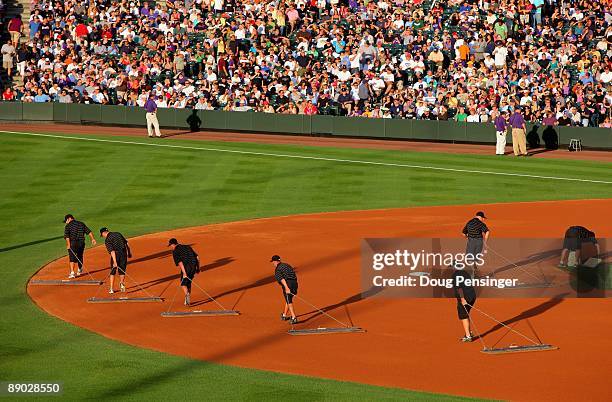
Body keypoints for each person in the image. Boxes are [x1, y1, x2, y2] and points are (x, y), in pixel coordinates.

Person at [168, 238, 200, 306]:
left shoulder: (175, 251)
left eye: (171, 245)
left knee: (183, 284)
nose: (171, 247)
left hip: (186, 267)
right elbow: (197, 257)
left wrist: (184, 273)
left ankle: (187, 295)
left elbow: (180, 263)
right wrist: (198, 268)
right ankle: (187, 300)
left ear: (173, 244)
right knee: (188, 282)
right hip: (193, 266)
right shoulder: (187, 246)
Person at [63, 214, 96, 278]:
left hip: (73, 243)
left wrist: (68, 245)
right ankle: (80, 269)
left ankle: (72, 273)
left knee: (72, 257)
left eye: (66, 220)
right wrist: (92, 239)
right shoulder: (81, 224)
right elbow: (89, 232)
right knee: (80, 255)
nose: (66, 222)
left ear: (69, 219)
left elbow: (67, 237)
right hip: (81, 243)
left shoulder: (68, 226)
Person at [100, 227, 131, 294]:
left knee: (113, 271)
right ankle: (122, 283)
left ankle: (111, 288)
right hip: (124, 253)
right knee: (122, 270)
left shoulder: (107, 240)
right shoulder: (118, 233)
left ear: (103, 233)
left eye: (102, 235)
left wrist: (115, 262)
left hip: (116, 254)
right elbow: (126, 243)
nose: (103, 237)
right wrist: (129, 252)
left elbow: (112, 251)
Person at [452, 262, 477, 342]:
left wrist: (463, 299)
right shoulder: (465, 273)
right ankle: (468, 333)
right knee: (466, 315)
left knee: (464, 316)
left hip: (465, 297)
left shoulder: (455, 275)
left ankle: (468, 336)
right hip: (472, 296)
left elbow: (459, 288)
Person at [271, 255, 298, 324]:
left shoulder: (277, 269)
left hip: (287, 283)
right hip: (295, 283)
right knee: (288, 299)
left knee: (289, 301)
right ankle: (284, 315)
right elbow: (293, 274)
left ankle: (294, 317)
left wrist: (286, 288)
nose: (273, 263)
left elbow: (282, 279)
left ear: (276, 261)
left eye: (273, 262)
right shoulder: (287, 265)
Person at [462, 212, 490, 276]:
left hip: (471, 242)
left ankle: (473, 271)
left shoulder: (469, 222)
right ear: (481, 217)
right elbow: (487, 231)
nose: (483, 219)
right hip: (479, 242)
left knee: (470, 257)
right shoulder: (481, 223)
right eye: (483, 218)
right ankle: (473, 273)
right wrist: (485, 242)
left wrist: (467, 238)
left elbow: (463, 233)